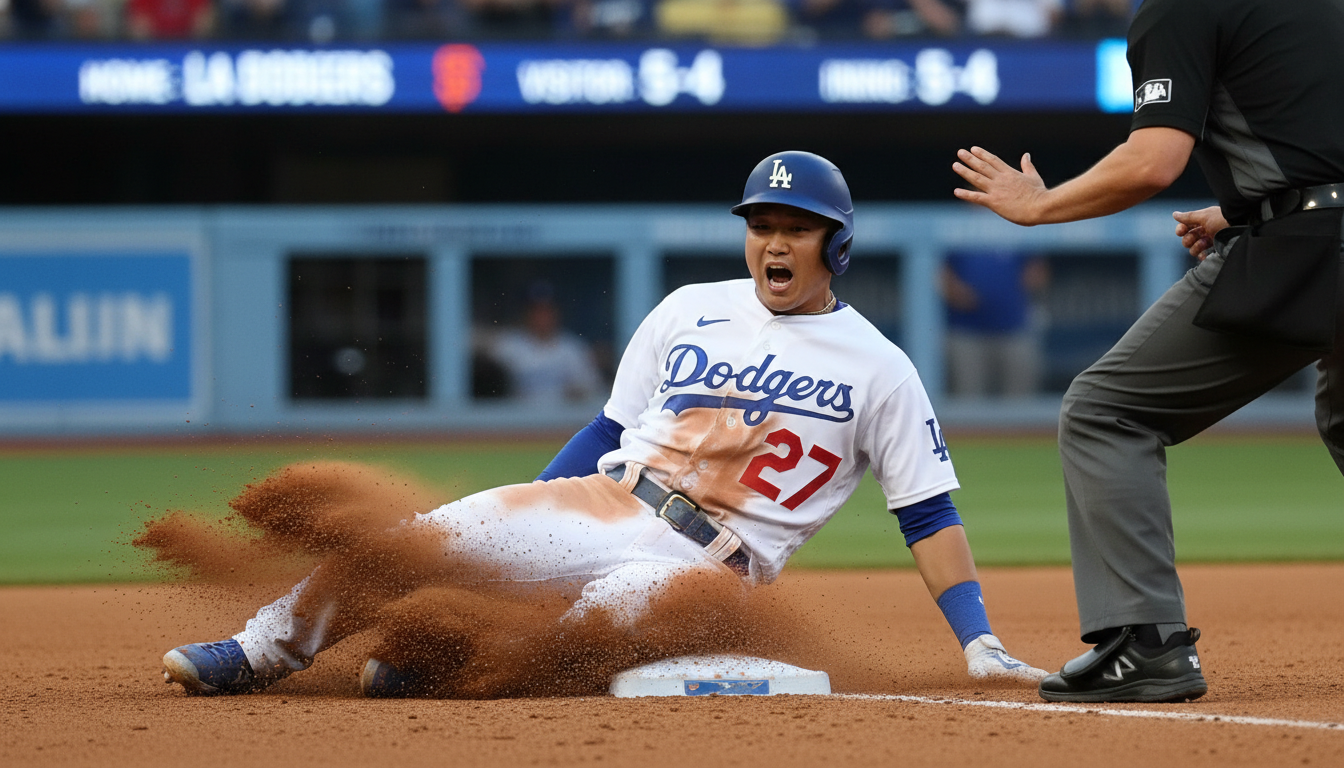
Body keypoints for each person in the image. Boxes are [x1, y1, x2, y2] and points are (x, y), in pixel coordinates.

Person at [160, 151, 1046, 697]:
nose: (774, 243)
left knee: (602, 620)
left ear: (837, 245)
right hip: (606, 498)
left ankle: (444, 666)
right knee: (416, 540)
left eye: (798, 229)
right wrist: (525, 516)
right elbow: (605, 430)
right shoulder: (689, 307)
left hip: (712, 565)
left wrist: (980, 642)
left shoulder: (881, 367)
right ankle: (258, 650)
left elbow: (928, 513)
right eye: (761, 225)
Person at [952, 0, 1344, 703]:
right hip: (1313, 224)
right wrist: (1246, 206)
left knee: (1106, 411)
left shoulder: (1178, 7)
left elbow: (1153, 162)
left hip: (1308, 250)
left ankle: (1149, 645)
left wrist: (1039, 204)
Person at [940, 250, 1049, 398]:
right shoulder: (958, 236)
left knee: (1020, 399)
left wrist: (1007, 292)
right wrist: (958, 293)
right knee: (968, 397)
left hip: (1014, 329)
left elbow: (1038, 270)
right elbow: (938, 269)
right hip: (965, 330)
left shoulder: (1017, 235)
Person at [479, 283, 605, 405]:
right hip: (517, 416)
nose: (542, 316)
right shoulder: (507, 345)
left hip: (561, 417)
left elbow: (591, 391)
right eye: (536, 311)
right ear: (526, 313)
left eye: (547, 310)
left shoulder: (572, 348)